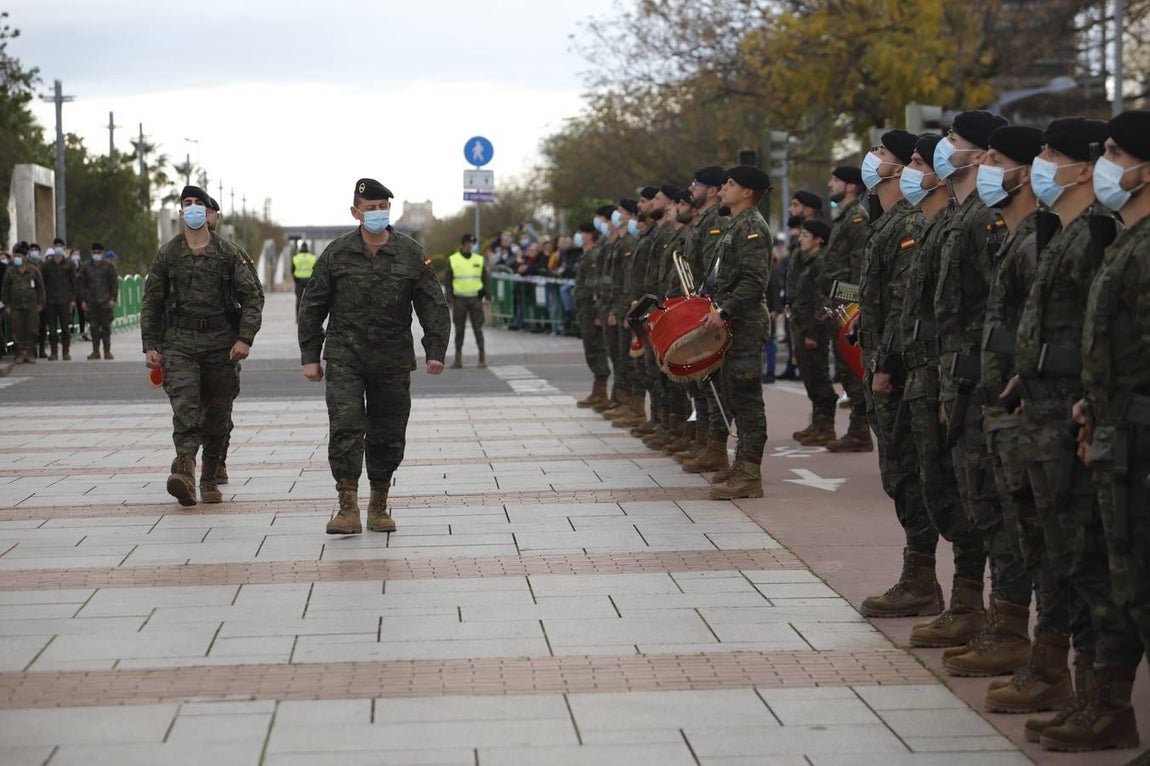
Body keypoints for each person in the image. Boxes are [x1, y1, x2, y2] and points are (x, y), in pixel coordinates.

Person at [1007, 117, 1138, 752]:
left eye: (1055, 155)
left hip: (1102, 430)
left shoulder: (1100, 237)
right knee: (1069, 556)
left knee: (1101, 567)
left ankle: (1104, 702)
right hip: (1072, 418)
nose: (1042, 163)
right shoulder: (1072, 234)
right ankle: (1087, 694)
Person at [941, 126, 1045, 680]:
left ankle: (1013, 634)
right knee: (984, 507)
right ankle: (992, 620)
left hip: (1016, 403)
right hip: (981, 390)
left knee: (1018, 522)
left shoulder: (1027, 236)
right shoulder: (1005, 231)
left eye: (996, 159)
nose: (983, 165)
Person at [298, 178, 450, 535]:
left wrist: (435, 349)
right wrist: (310, 355)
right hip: (345, 356)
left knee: (388, 432)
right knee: (346, 426)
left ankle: (378, 505)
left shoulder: (411, 253)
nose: (378, 213)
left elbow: (433, 305)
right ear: (356, 212)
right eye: (371, 208)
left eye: (384, 207)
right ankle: (346, 507)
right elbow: (312, 305)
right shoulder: (336, 253)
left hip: (392, 360)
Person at [1075, 109, 1150, 758]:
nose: (1106, 164)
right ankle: (1110, 709)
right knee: (1122, 585)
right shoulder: (1127, 239)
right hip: (1116, 438)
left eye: (1114, 152)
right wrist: (1091, 406)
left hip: (1141, 443)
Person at [141, 185, 265, 507]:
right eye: (187, 204)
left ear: (209, 212)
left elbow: (252, 298)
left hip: (221, 345)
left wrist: (244, 337)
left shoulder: (228, 252)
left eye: (199, 203)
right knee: (186, 408)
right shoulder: (168, 253)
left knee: (217, 415)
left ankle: (210, 475)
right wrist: (151, 344)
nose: (193, 208)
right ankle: (184, 472)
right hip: (179, 344)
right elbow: (152, 301)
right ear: (181, 212)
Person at [700, 165, 772, 500]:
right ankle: (742, 463)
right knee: (733, 396)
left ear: (747, 192)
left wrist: (724, 310)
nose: (723, 189)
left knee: (746, 399)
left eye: (730, 184)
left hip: (744, 324)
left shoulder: (753, 227)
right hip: (732, 325)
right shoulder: (736, 225)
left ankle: (750, 474)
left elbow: (754, 282)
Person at [821, 167, 873, 451]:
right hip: (837, 306)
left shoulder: (856, 218)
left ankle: (860, 430)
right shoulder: (843, 218)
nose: (830, 184)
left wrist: (850, 308)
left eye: (836, 180)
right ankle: (858, 427)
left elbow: (858, 270)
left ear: (851, 186)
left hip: (848, 309)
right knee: (844, 371)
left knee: (853, 373)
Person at [787, 219, 836, 445]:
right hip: (801, 322)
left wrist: (815, 332)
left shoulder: (823, 262)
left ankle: (826, 426)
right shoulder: (804, 260)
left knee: (818, 374)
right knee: (808, 374)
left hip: (814, 326)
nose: (800, 239)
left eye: (806, 236)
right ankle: (817, 422)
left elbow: (825, 300)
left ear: (819, 240)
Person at [572, 222, 611, 408]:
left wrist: (597, 312)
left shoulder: (593, 255)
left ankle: (602, 390)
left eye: (580, 232)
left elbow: (596, 285)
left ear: (588, 235)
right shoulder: (586, 255)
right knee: (590, 348)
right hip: (584, 307)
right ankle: (598, 390)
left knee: (596, 347)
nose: (577, 235)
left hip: (591, 307)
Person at [444, 233, 489, 369]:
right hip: (459, 299)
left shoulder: (479, 259)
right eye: (469, 243)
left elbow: (485, 279)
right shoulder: (453, 259)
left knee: (478, 328)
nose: (471, 245)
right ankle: (458, 359)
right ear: (463, 244)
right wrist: (449, 298)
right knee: (459, 329)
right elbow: (448, 280)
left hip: (475, 298)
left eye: (473, 243)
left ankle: (482, 358)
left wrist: (487, 296)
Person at [0, 243, 44, 364]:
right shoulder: (10, 271)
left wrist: (40, 303)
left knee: (32, 329)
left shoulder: (33, 270)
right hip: (15, 306)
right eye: (15, 255)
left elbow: (40, 288)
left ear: (25, 256)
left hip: (31, 306)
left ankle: (30, 353)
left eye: (19, 255)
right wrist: (7, 305)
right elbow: (5, 289)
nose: (17, 258)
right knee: (17, 330)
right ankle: (19, 353)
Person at [79, 242, 118, 359]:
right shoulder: (85, 267)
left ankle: (107, 351)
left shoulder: (108, 267)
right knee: (94, 328)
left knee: (106, 327)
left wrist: (113, 299)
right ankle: (95, 351)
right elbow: (81, 285)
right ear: (91, 253)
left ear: (102, 253)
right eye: (94, 252)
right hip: (91, 302)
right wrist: (82, 301)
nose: (96, 254)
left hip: (105, 302)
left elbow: (114, 284)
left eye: (99, 252)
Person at [39, 245, 76, 361]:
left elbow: (74, 283)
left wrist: (73, 299)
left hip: (65, 300)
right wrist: (42, 300)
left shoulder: (69, 264)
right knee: (52, 328)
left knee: (65, 328)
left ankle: (66, 351)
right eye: (57, 247)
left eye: (61, 247)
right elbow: (42, 284)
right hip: (50, 301)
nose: (59, 249)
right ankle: (54, 352)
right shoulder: (46, 265)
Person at [292, 241, 317, 319]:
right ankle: (309, 317)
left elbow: (292, 270)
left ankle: (297, 318)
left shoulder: (296, 257)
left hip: (299, 280)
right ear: (307, 248)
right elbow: (316, 269)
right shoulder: (312, 257)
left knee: (299, 300)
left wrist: (295, 279)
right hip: (309, 281)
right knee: (310, 299)